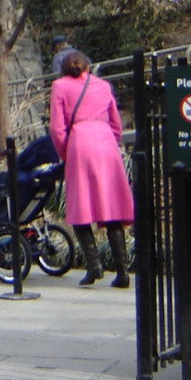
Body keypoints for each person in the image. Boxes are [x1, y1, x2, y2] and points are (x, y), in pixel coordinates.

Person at [49, 50, 133, 287]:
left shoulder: (59, 86)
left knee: (80, 206)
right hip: (106, 143)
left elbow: (57, 128)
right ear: (87, 67)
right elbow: (116, 124)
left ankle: (94, 266)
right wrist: (108, 142)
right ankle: (123, 271)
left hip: (80, 143)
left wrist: (66, 152)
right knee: (111, 206)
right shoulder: (103, 86)